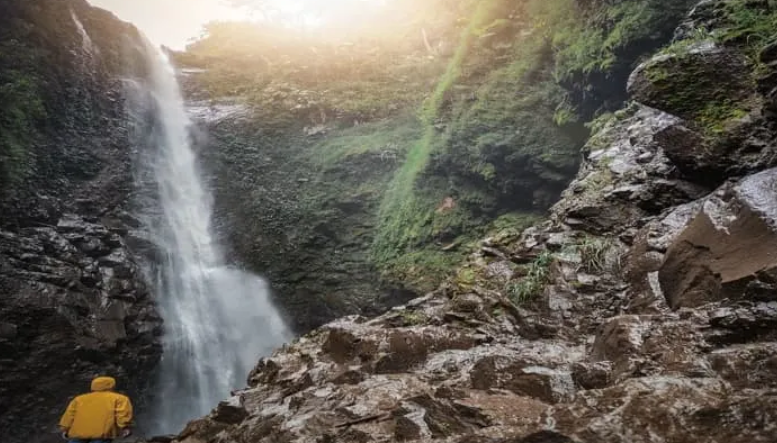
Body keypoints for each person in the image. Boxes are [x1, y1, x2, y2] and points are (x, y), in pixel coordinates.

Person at [58, 376, 133, 442]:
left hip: (78, 433)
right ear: (112, 385)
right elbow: (122, 414)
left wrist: (65, 429)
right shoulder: (120, 398)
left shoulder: (79, 399)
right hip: (102, 434)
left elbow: (69, 415)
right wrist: (125, 427)